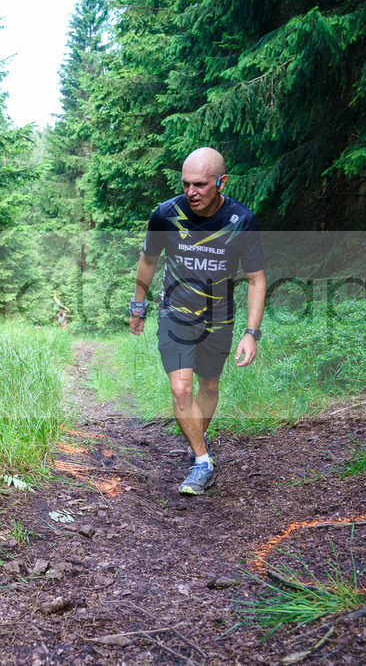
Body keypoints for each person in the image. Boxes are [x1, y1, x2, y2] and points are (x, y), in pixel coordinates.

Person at [129, 147, 266, 495]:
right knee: (181, 389)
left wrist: (251, 333)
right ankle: (203, 463)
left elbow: (256, 279)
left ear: (221, 182)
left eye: (201, 185)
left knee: (208, 388)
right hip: (175, 316)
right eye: (186, 184)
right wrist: (138, 305)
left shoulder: (242, 220)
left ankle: (196, 445)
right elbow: (148, 260)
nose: (191, 192)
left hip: (219, 321)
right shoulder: (166, 215)